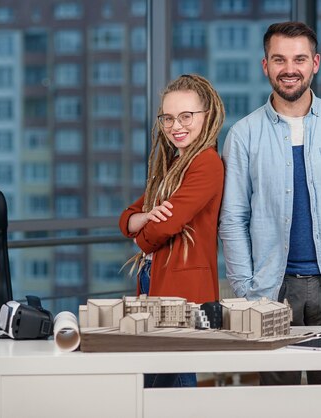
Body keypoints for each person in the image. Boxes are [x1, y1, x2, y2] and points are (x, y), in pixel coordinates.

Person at [218, 22, 321, 385]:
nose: (289, 68)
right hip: (270, 294)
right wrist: (247, 291)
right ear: (265, 66)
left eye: (299, 59)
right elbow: (233, 219)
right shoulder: (243, 135)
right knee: (279, 400)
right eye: (279, 59)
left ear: (315, 63)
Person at [119, 74, 225, 387]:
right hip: (158, 281)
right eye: (168, 118)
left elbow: (160, 230)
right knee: (159, 385)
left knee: (171, 387)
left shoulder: (206, 163)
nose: (175, 126)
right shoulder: (173, 166)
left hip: (186, 292)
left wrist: (143, 227)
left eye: (186, 116)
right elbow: (126, 217)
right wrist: (143, 219)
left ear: (207, 116)